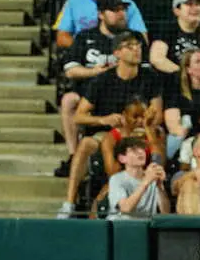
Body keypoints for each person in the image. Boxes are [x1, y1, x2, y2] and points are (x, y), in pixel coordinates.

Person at [58, 31, 158, 218]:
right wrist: (103, 120)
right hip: (106, 133)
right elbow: (79, 117)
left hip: (139, 132)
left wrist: (148, 117)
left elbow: (157, 111)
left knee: (156, 136)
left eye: (138, 46)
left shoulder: (150, 77)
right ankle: (69, 203)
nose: (136, 50)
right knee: (86, 143)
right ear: (117, 53)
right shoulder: (102, 80)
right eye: (130, 46)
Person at [57, 0, 131, 175]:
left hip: (123, 93)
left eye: (123, 9)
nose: (121, 14)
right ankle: (74, 155)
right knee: (68, 100)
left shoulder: (131, 38)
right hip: (89, 94)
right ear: (100, 14)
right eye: (115, 10)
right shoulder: (85, 36)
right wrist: (95, 72)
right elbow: (70, 70)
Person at [107, 137, 170, 219]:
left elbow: (165, 212)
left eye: (142, 149)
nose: (141, 152)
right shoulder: (116, 179)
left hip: (145, 227)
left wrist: (160, 186)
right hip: (121, 226)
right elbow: (125, 209)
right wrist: (146, 182)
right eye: (134, 150)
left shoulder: (151, 176)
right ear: (122, 158)